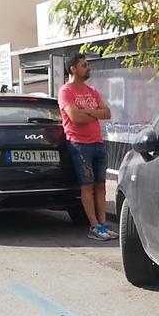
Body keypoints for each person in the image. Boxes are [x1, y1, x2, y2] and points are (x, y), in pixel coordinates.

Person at [58, 53, 118, 241]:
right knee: (87, 185)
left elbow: (107, 113)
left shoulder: (92, 90)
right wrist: (95, 114)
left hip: (97, 142)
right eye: (84, 65)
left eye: (88, 64)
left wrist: (88, 112)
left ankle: (103, 224)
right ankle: (94, 226)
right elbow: (75, 118)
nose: (88, 68)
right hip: (79, 145)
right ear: (73, 69)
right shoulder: (66, 91)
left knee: (101, 185)